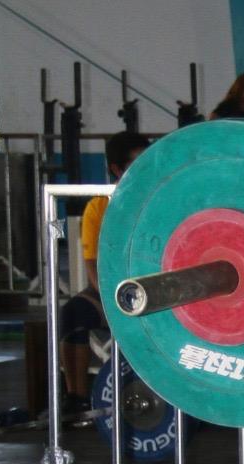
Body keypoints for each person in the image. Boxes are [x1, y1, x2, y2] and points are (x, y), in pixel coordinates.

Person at [59, 130, 149, 416]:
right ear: (116, 169)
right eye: (136, 162)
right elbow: (92, 265)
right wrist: (115, 301)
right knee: (73, 313)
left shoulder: (157, 201)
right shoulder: (98, 207)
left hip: (156, 286)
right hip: (113, 290)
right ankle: (77, 398)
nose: (143, 167)